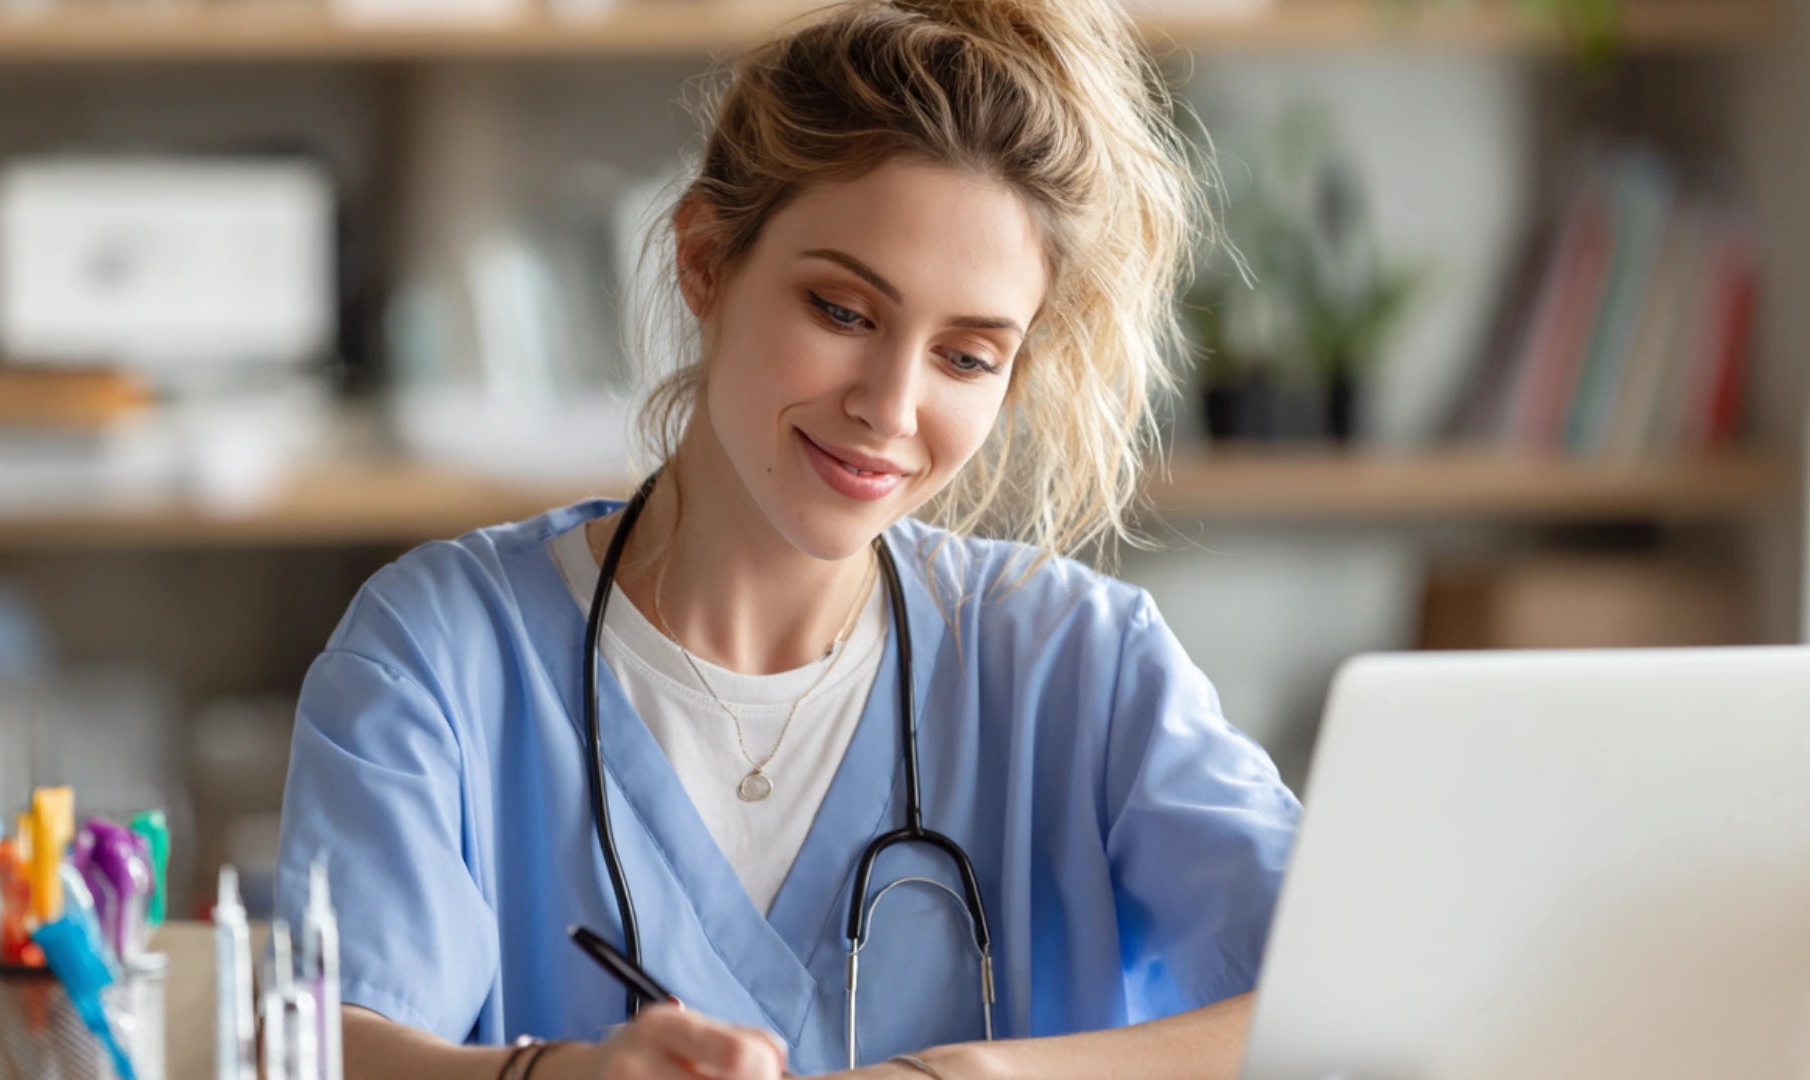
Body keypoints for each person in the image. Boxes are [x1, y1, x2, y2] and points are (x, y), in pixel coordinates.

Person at [273, 0, 1301, 1076]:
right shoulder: (439, 650)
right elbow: (326, 1049)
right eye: (844, 312)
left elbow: (1359, 1000)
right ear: (706, 262)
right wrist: (558, 1076)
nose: (892, 408)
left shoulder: (1077, 664)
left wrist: (988, 1075)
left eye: (966, 357)